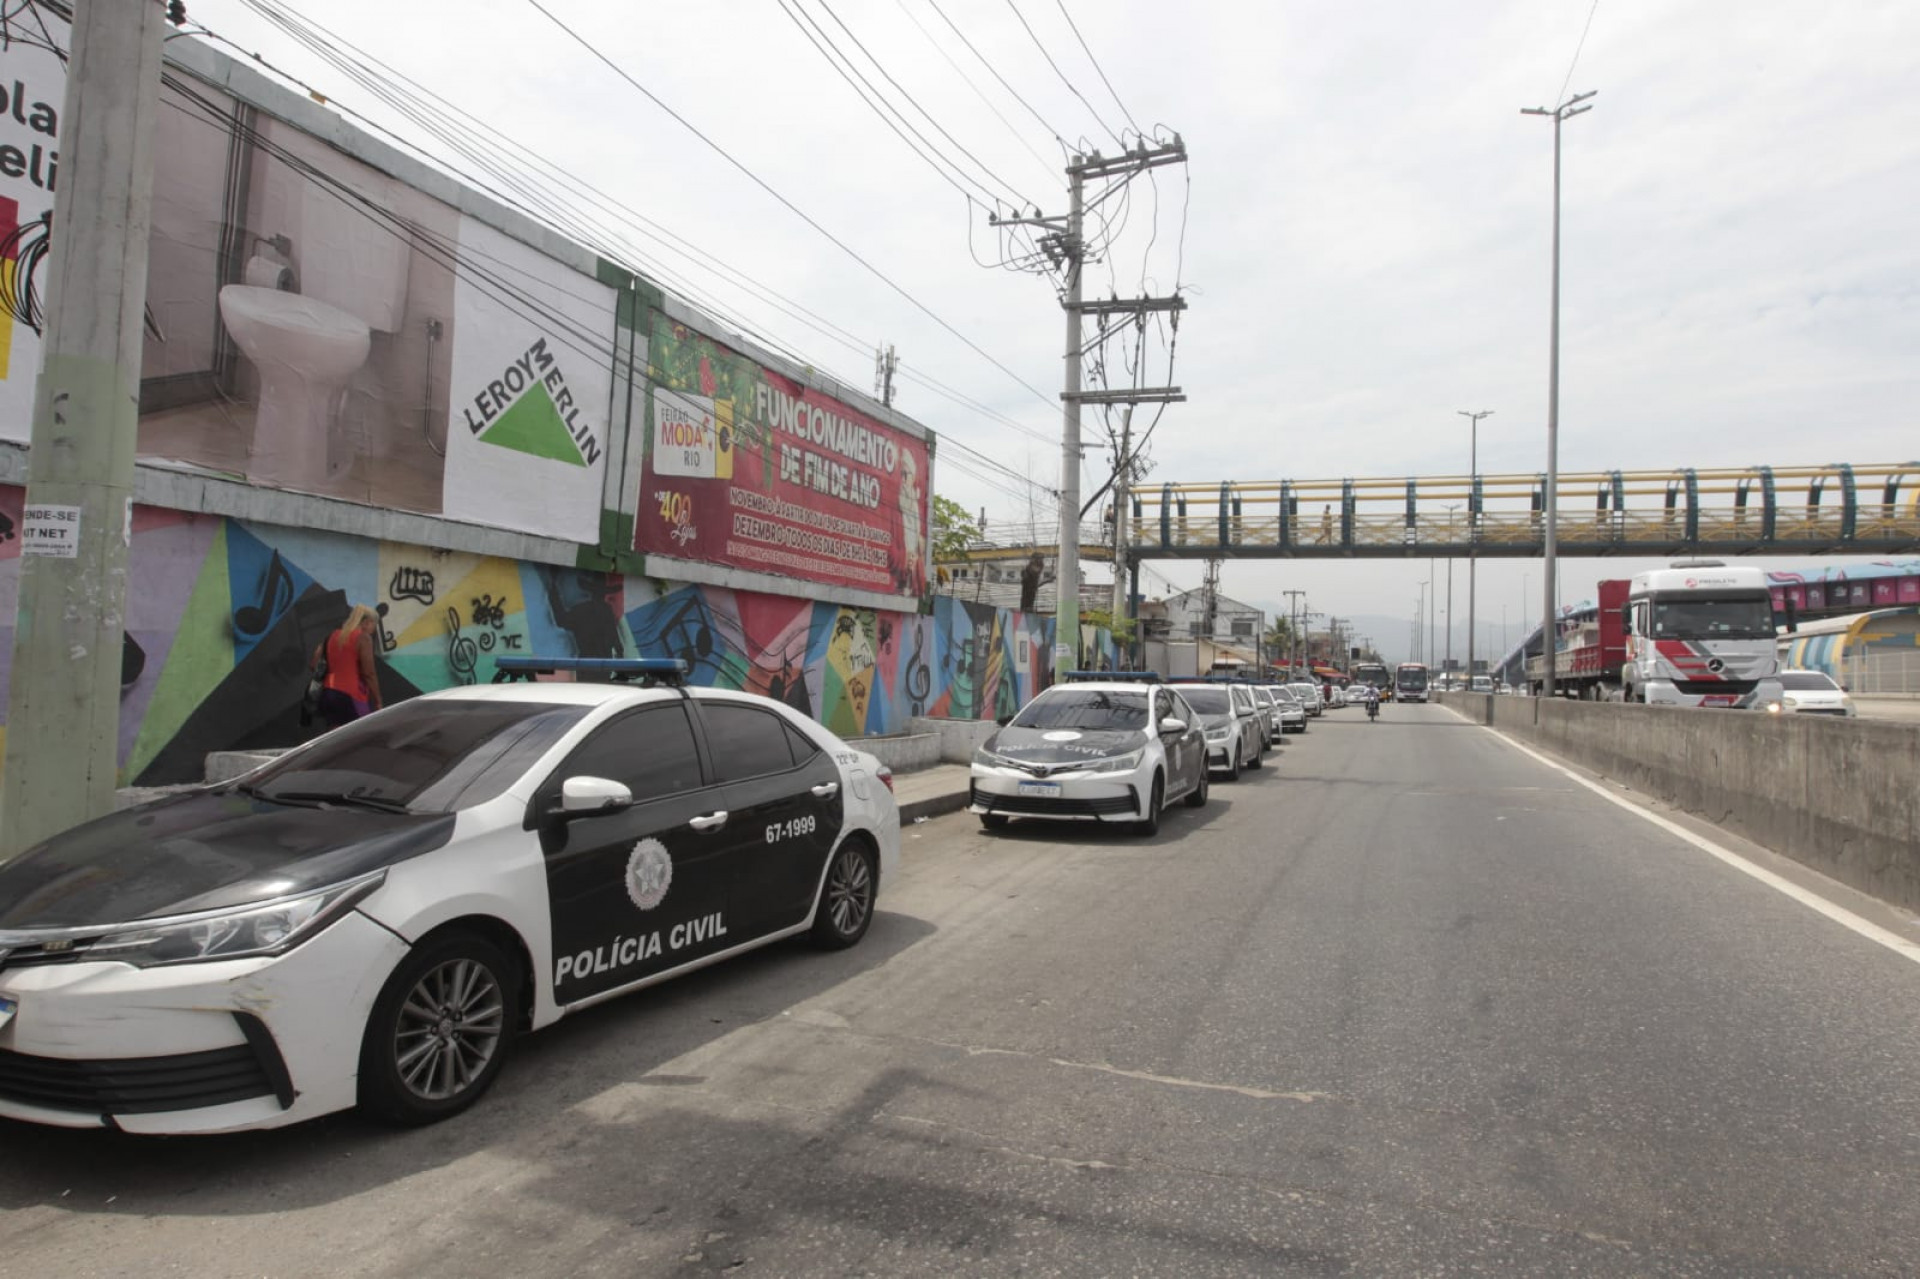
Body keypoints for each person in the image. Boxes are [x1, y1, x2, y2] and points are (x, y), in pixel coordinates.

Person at [313, 604, 384, 728]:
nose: (374, 629)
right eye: (374, 624)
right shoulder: (364, 638)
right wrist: (378, 701)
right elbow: (369, 673)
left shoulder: (332, 635)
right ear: (367, 622)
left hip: (329, 694)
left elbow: (313, 664)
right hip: (351, 695)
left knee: (336, 740)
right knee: (363, 735)